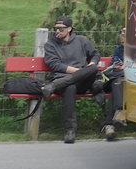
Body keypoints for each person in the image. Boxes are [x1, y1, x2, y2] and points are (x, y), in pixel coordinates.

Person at [40, 15, 103, 144]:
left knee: (93, 69)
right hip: (63, 80)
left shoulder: (82, 40)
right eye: (55, 29)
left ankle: (54, 85)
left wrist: (92, 63)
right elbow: (55, 65)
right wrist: (81, 72)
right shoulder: (50, 45)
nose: (57, 31)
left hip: (80, 81)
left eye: (61, 29)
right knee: (70, 87)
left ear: (69, 29)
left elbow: (95, 54)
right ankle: (70, 130)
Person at [100, 27, 128, 141]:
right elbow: (113, 68)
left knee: (116, 86)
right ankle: (119, 111)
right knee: (116, 83)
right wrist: (118, 67)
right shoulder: (118, 50)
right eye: (121, 33)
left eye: (125, 33)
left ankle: (109, 125)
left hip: (134, 82)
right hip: (120, 80)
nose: (123, 36)